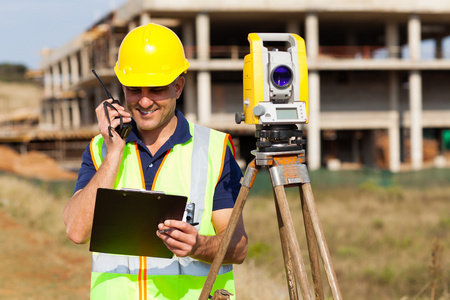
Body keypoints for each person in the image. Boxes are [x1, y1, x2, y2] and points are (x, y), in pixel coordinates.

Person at [63, 23, 248, 300]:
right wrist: (115, 151)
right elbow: (77, 231)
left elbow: (238, 247)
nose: (145, 101)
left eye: (157, 89)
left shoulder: (214, 149)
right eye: (134, 89)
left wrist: (198, 245)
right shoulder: (101, 148)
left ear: (178, 86)